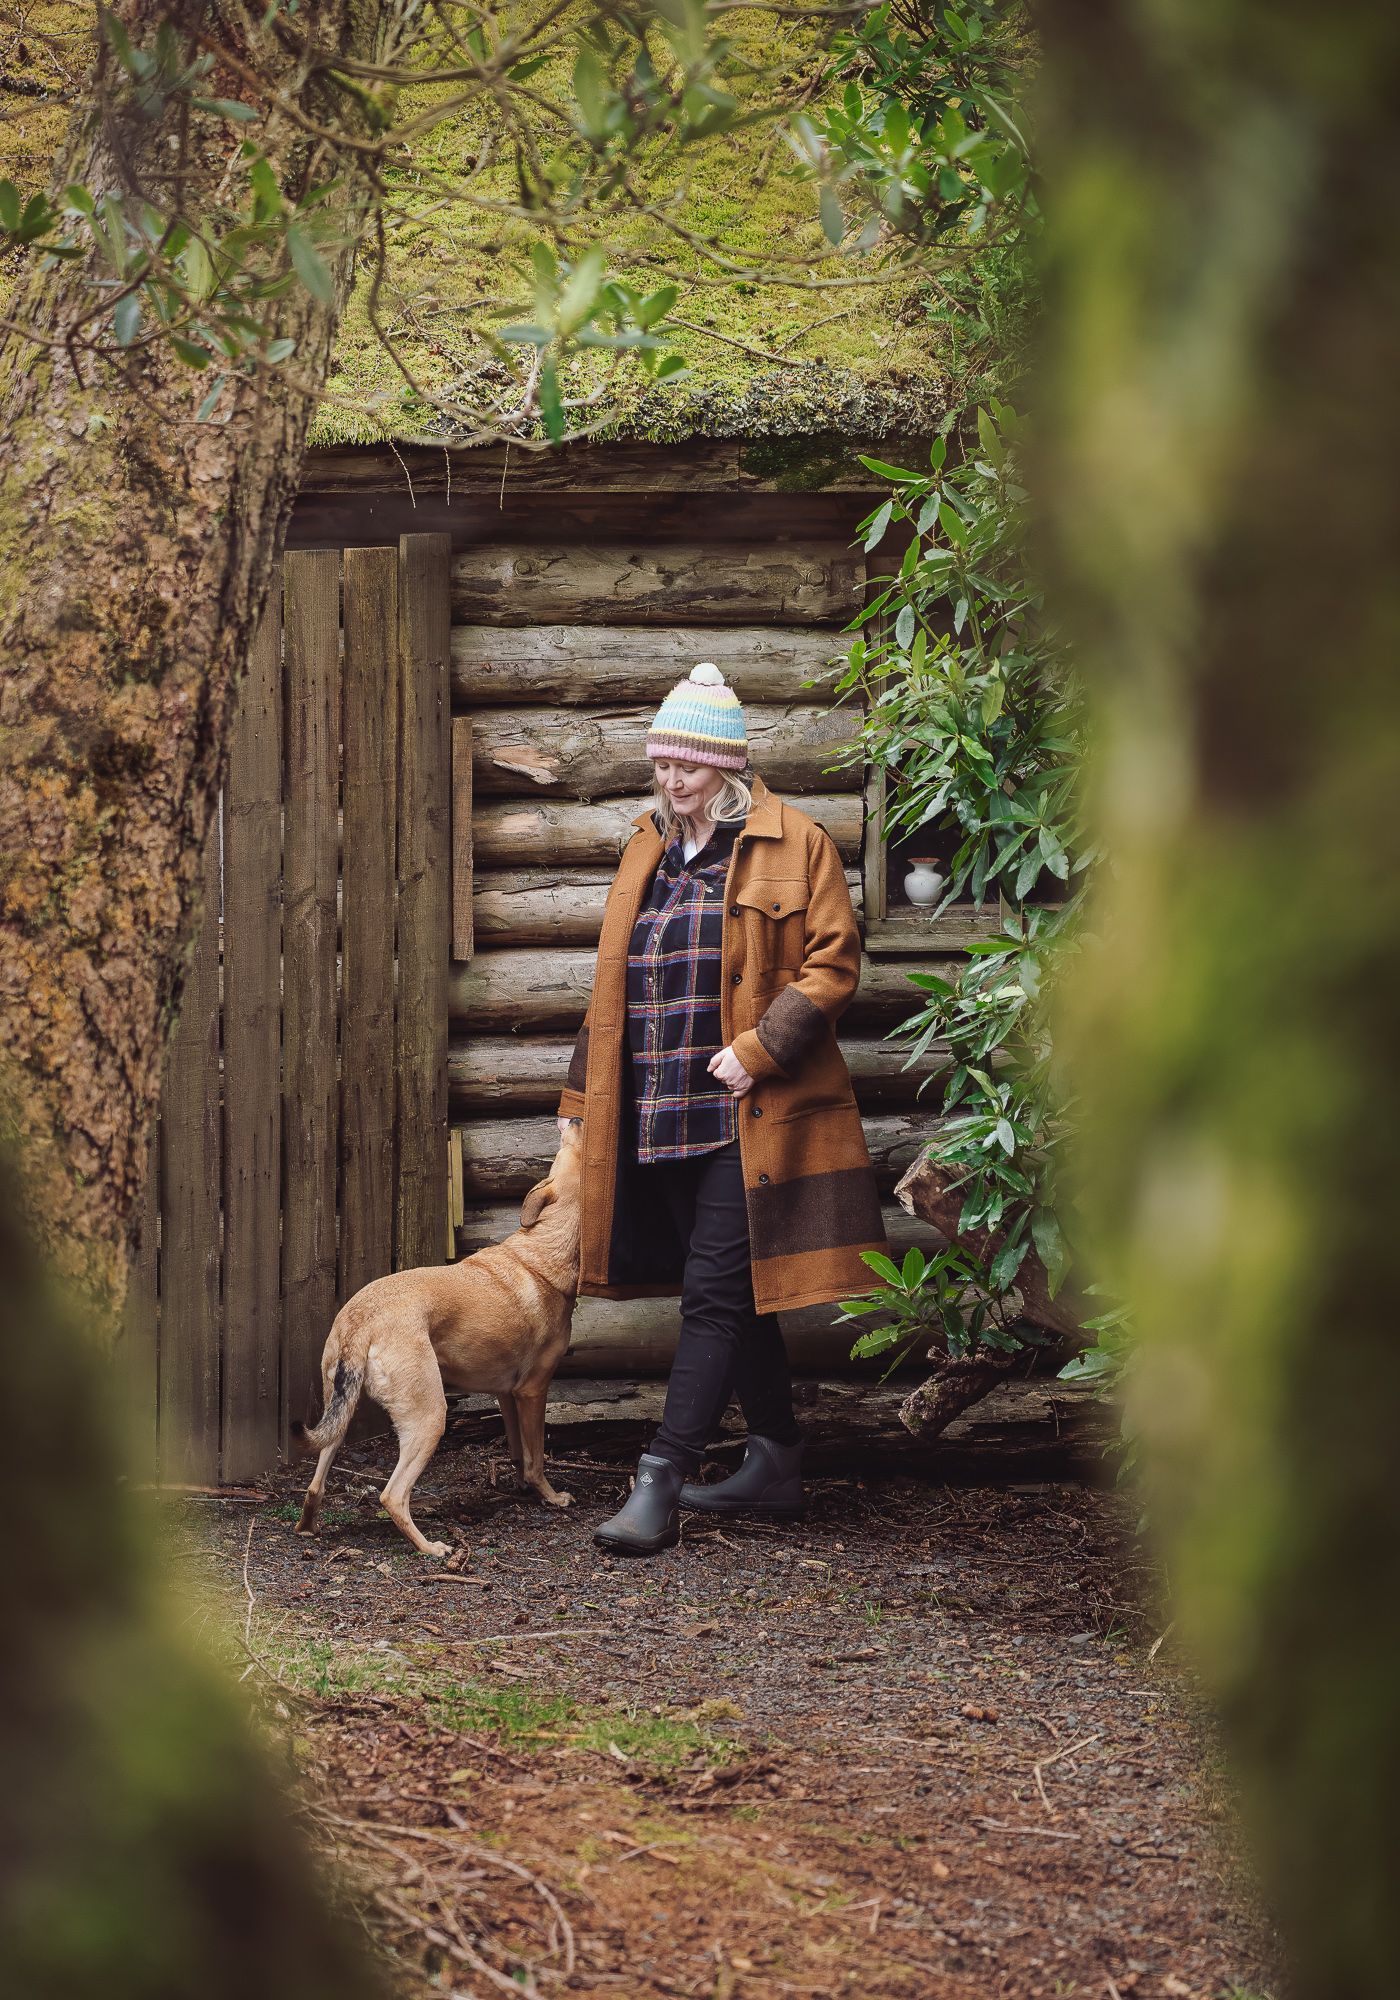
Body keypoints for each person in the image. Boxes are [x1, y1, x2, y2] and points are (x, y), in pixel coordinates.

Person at [555, 661, 888, 1555]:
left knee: (710, 1295)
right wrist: (582, 1099)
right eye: (662, 764)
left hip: (747, 1119)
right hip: (656, 1111)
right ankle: (776, 1456)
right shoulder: (647, 847)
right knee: (736, 1296)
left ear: (728, 770)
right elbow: (612, 989)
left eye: (689, 768)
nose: (672, 781)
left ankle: (658, 1479)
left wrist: (757, 1051)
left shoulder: (796, 842)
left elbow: (833, 966)